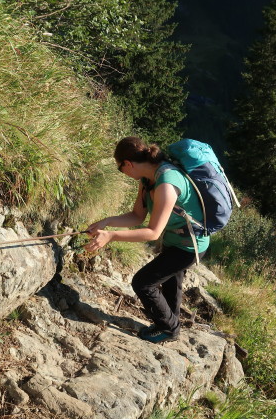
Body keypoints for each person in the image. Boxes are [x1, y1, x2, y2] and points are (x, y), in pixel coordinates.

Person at [85, 136, 209, 343]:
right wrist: (106, 222)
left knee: (143, 283)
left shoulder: (167, 184)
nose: (122, 172)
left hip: (189, 246)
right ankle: (169, 323)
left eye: (120, 168)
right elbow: (137, 216)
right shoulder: (147, 179)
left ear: (128, 164)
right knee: (170, 283)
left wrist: (112, 236)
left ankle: (169, 329)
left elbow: (153, 232)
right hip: (176, 241)